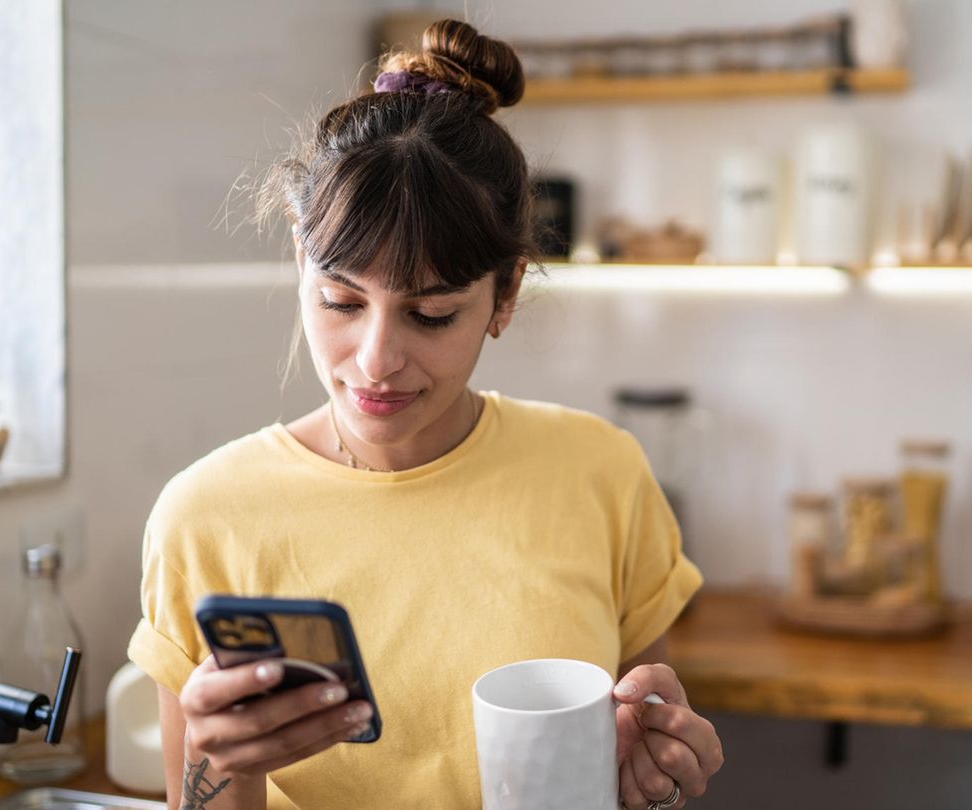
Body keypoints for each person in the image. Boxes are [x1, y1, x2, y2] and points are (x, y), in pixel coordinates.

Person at [127, 19, 723, 810]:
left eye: (432, 314)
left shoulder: (601, 473)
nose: (375, 359)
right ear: (300, 260)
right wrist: (225, 763)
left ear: (505, 295)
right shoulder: (205, 517)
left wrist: (655, 778)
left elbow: (625, 770)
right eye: (340, 301)